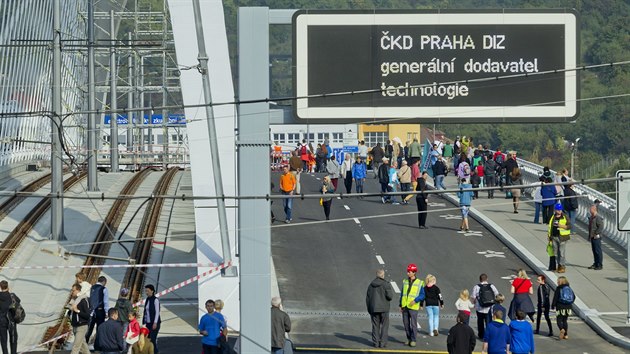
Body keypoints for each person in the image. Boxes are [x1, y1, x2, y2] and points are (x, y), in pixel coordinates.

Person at [365, 269, 394, 348]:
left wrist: (369, 309)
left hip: (374, 308)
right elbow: (390, 296)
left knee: (375, 325)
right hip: (384, 309)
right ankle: (383, 343)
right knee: (384, 326)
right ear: (383, 275)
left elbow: (368, 298)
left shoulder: (371, 285)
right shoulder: (386, 284)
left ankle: (376, 343)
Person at [399, 263, 425, 347]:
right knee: (406, 324)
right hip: (405, 306)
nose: (408, 273)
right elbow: (402, 293)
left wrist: (415, 300)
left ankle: (413, 340)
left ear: (414, 272)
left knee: (413, 324)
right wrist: (400, 305)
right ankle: (409, 338)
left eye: (409, 272)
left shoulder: (420, 283)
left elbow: (422, 295)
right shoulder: (405, 281)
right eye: (407, 271)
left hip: (413, 307)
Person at [471, 274, 499, 340]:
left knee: (480, 322)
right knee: (489, 322)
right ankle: (489, 336)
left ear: (480, 279)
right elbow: (497, 294)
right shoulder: (491, 286)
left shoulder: (476, 287)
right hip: (489, 308)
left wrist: (474, 303)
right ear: (487, 279)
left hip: (479, 308)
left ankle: (481, 335)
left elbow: (473, 297)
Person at [548, 203, 571, 273]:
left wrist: (562, 226)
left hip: (562, 238)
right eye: (558, 210)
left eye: (560, 210)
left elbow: (570, 226)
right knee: (555, 253)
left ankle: (562, 266)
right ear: (555, 210)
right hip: (554, 237)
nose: (559, 211)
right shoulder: (553, 217)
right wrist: (549, 236)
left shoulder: (565, 217)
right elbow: (550, 227)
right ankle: (557, 266)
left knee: (561, 253)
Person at [69, 283, 91, 354]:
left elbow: (87, 315)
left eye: (73, 291)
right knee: (83, 345)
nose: (72, 292)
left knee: (76, 346)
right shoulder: (74, 301)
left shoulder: (83, 300)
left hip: (82, 326)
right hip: (75, 325)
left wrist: (77, 311)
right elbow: (72, 313)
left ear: (78, 290)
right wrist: (70, 311)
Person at [86, 276, 109, 344]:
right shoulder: (104, 289)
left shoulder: (92, 287)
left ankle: (84, 344)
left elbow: (90, 299)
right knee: (99, 329)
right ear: (104, 282)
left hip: (92, 311)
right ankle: (97, 347)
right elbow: (105, 301)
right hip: (100, 311)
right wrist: (107, 312)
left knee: (89, 329)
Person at [551, 276, 574, 340]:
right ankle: (566, 335)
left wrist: (553, 305)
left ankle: (562, 329)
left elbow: (555, 298)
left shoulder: (559, 288)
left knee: (559, 320)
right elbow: (573, 297)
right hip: (568, 307)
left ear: (560, 281)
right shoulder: (569, 288)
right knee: (565, 320)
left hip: (560, 306)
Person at [142, 284, 161, 353]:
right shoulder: (147, 299)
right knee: (148, 339)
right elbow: (145, 312)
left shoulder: (155, 300)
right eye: (146, 291)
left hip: (154, 323)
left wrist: (155, 322)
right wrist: (144, 322)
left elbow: (157, 312)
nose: (146, 292)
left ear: (152, 291)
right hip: (148, 323)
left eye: (148, 291)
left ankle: (155, 352)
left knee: (152, 339)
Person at [0, 280, 17, 354]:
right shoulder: (12, 295)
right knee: (13, 339)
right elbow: (18, 302)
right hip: (11, 320)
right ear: (8, 287)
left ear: (0, 287)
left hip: (1, 321)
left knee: (3, 340)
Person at [588, 199, 604, 270]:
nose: (589, 210)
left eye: (591, 209)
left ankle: (599, 264)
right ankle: (595, 263)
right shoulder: (591, 217)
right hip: (592, 236)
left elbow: (601, 227)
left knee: (598, 251)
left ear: (594, 210)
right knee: (594, 251)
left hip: (596, 237)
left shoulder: (598, 217)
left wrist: (596, 233)